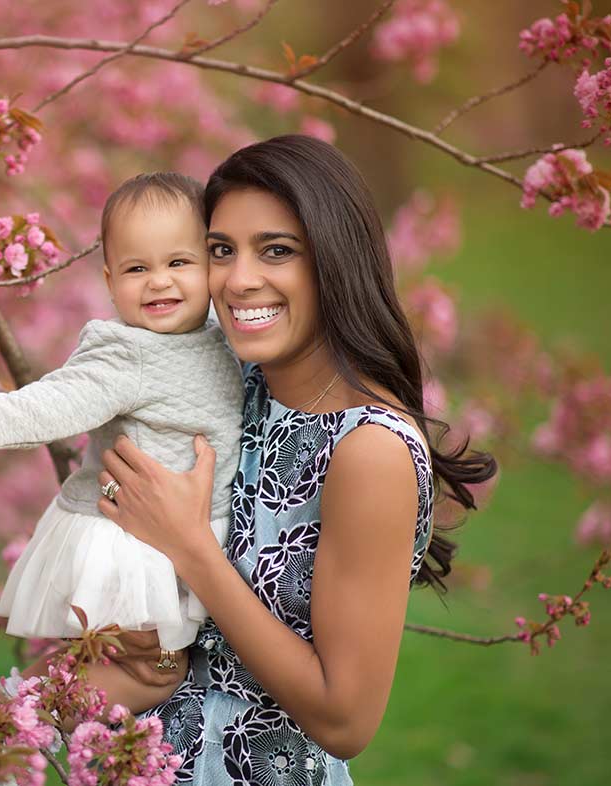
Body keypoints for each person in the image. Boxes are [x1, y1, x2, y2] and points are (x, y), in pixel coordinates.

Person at [95, 135, 496, 784]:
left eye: (276, 250)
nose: (239, 279)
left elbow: (346, 720)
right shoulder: (225, 392)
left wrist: (193, 552)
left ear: (334, 261)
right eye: (221, 250)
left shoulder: (370, 451)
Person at [0, 172, 244, 716]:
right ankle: (6, 723)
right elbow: (61, 399)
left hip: (176, 538)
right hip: (134, 543)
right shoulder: (127, 353)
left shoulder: (219, 333)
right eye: (136, 268)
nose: (158, 283)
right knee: (149, 670)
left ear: (211, 265)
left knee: (106, 660)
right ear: (109, 280)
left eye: (178, 263)